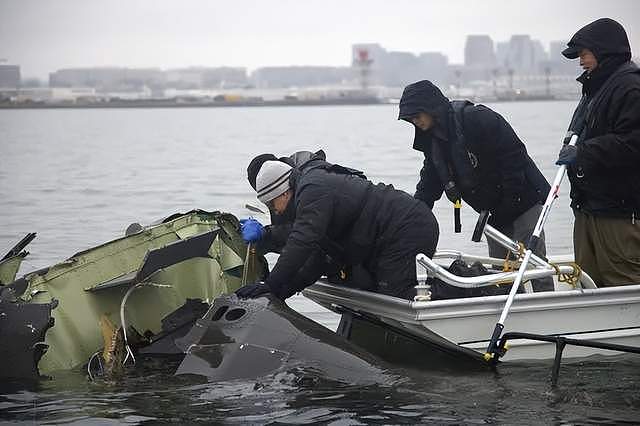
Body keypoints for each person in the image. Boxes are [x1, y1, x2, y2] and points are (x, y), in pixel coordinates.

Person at [398, 80, 553, 290]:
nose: (415, 122)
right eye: (410, 119)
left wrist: (511, 198)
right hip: (492, 210)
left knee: (534, 262)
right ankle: (513, 313)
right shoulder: (432, 141)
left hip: (524, 199)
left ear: (431, 108)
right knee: (501, 272)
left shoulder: (477, 118)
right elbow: (430, 181)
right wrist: (414, 213)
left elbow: (514, 156)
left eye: (417, 116)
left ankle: (546, 306)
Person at [235, 155, 439, 301]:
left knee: (395, 296)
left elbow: (302, 241)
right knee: (374, 290)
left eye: (271, 205)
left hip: (407, 227)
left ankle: (461, 290)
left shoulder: (312, 188)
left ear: (283, 193)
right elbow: (318, 258)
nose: (275, 212)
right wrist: (278, 292)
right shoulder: (307, 195)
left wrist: (271, 284)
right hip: (389, 235)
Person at [555, 18, 640, 287]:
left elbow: (633, 143)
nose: (581, 61)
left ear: (604, 51)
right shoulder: (595, 88)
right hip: (588, 207)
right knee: (585, 282)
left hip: (619, 212)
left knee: (623, 281)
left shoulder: (629, 87)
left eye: (584, 53)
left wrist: (583, 153)